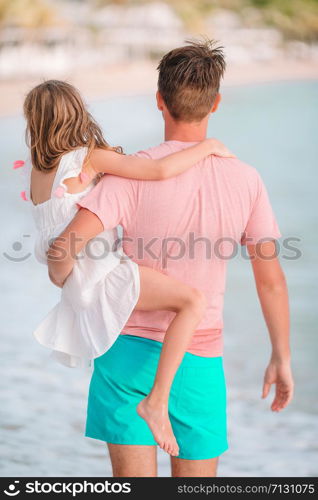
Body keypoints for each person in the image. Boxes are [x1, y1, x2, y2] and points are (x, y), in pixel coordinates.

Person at [48, 40, 294, 477]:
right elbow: (270, 280)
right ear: (216, 103)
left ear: (159, 100)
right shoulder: (246, 179)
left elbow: (66, 247)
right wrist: (281, 355)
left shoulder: (129, 172)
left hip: (125, 351)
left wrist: (69, 283)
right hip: (199, 357)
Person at [24, 79, 234, 457]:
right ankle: (157, 402)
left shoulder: (39, 173)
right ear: (76, 113)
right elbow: (157, 172)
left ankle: (149, 399)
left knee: (184, 303)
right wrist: (208, 148)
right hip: (103, 272)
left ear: (34, 121)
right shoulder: (88, 156)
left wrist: (60, 277)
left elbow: (55, 247)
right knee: (192, 301)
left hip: (78, 280)